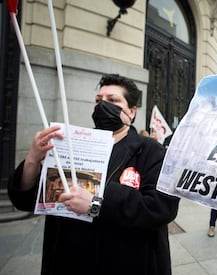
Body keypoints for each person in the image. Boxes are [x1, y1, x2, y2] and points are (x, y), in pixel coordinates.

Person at [8, 73, 180, 275]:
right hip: (68, 260)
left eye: (113, 100)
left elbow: (161, 207)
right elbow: (28, 199)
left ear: (131, 112)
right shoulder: (70, 144)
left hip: (126, 262)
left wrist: (96, 203)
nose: (102, 105)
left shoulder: (151, 150)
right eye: (98, 100)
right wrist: (32, 160)